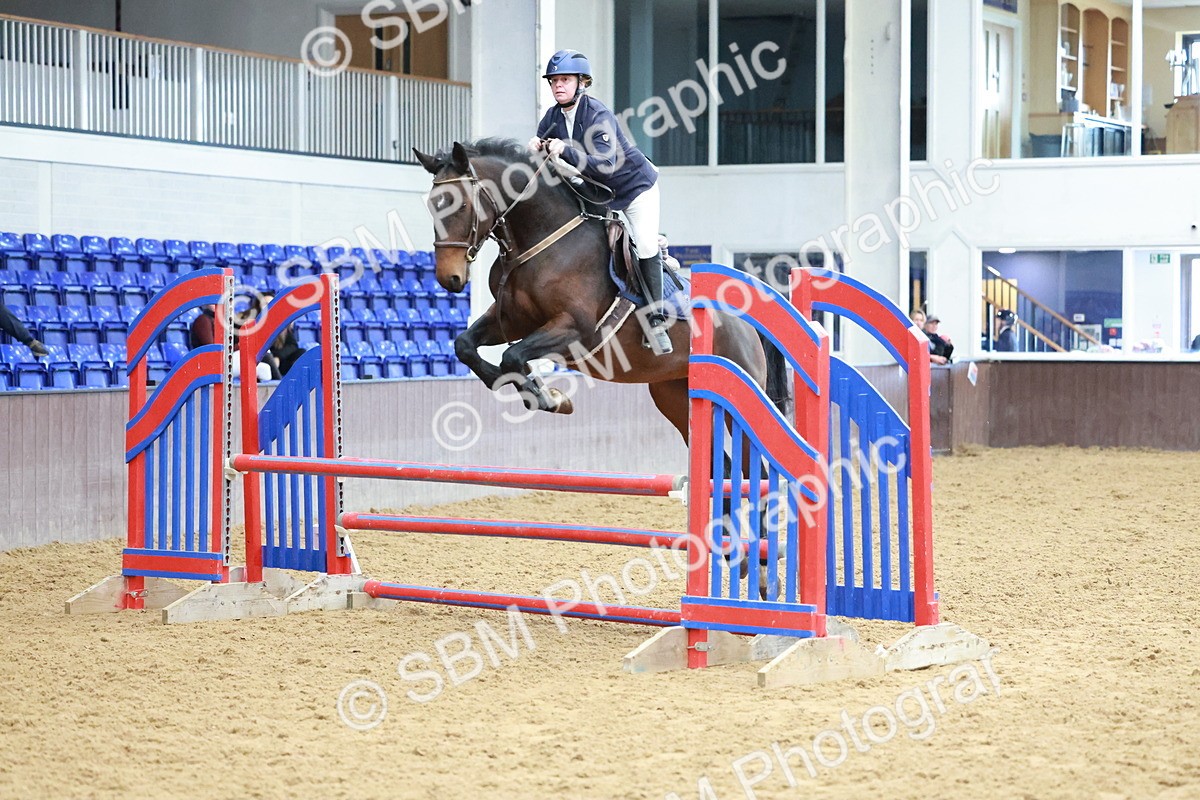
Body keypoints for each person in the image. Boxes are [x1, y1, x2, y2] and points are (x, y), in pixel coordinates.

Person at [528, 49, 671, 355]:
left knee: (644, 244)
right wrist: (537, 148)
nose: (558, 86)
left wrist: (564, 150)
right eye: (553, 81)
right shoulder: (552, 117)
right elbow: (544, 159)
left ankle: (656, 318)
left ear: (582, 83)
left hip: (633, 189)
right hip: (596, 194)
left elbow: (604, 164)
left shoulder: (598, 114)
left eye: (565, 80)